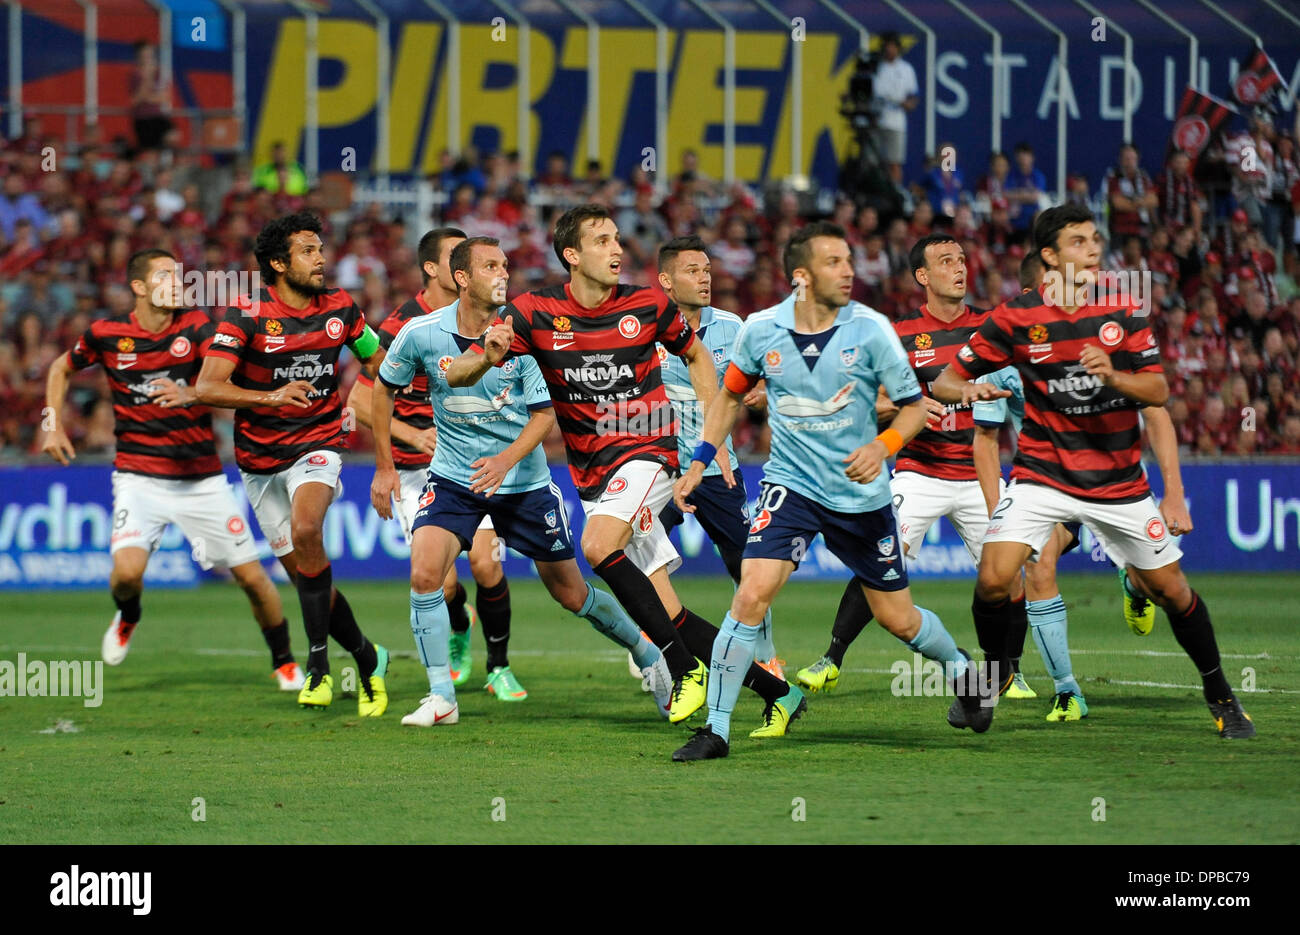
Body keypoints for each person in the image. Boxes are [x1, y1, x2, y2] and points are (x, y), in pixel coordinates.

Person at [446, 204, 801, 732]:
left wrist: (709, 442)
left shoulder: (647, 304)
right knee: (670, 614)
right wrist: (488, 353)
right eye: (601, 240)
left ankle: (684, 671)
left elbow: (699, 357)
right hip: (593, 475)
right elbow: (459, 374)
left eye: (617, 239)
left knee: (595, 546)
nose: (616, 249)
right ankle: (780, 694)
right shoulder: (533, 311)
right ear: (572, 255)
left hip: (648, 454)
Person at [933, 203, 1256, 738]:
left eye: (1094, 240)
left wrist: (1117, 382)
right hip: (1041, 475)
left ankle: (1220, 693)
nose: (1093, 250)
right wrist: (970, 389)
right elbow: (944, 381)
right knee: (994, 578)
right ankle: (996, 674)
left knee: (1170, 591)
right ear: (1050, 255)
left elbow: (1157, 394)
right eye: (1079, 242)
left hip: (1117, 482)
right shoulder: (1015, 318)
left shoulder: (1123, 310)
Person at [670, 222, 981, 761]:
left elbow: (912, 406)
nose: (849, 270)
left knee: (897, 619)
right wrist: (700, 460)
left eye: (848, 259)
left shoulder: (872, 330)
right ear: (802, 276)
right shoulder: (762, 329)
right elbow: (727, 398)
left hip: (859, 494)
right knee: (750, 594)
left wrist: (884, 445)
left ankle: (961, 670)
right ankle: (716, 730)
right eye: (834, 261)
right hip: (790, 485)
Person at [370, 236, 670, 725]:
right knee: (426, 575)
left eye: (505, 265)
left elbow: (543, 416)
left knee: (572, 594)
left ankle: (649, 654)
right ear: (462, 278)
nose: (503, 274)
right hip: (453, 478)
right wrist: (385, 466)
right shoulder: (421, 333)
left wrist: (506, 462)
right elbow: (381, 390)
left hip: (523, 483)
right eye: (491, 266)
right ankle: (441, 697)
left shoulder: (525, 336)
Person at [40, 249, 303, 690]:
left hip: (201, 479)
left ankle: (284, 661)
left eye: (178, 275)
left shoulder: (197, 327)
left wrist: (195, 394)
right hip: (138, 478)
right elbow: (59, 368)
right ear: (139, 288)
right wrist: (52, 426)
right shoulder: (107, 334)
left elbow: (221, 380)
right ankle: (129, 615)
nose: (178, 281)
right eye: (165, 275)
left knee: (253, 579)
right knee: (126, 575)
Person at [795, 233, 1035, 700]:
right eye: (946, 261)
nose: (959, 268)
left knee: (1009, 574)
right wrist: (913, 406)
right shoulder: (901, 335)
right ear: (923, 276)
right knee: (882, 558)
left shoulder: (990, 329)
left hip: (977, 474)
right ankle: (832, 658)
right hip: (919, 471)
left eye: (962, 259)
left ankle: (1010, 672)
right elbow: (871, 401)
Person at [196, 212, 391, 717]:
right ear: (280, 263)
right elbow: (208, 386)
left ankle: (319, 667)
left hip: (318, 442)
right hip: (260, 460)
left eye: (320, 248)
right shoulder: (246, 314)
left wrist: (359, 400)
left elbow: (378, 361)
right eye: (308, 251)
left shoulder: (341, 309)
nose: (322, 258)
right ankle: (369, 658)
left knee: (309, 530)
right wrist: (272, 395)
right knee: (309, 580)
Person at [346, 227, 507, 689]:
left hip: (475, 462)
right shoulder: (403, 326)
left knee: (487, 564)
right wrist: (411, 436)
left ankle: (500, 666)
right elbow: (359, 402)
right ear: (436, 270)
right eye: (457, 258)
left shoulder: (490, 318)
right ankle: (459, 624)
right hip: (419, 474)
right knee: (444, 584)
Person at [652, 236, 783, 678]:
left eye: (707, 269)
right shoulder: (643, 327)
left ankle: (766, 657)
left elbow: (763, 392)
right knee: (637, 558)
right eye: (692, 270)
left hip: (716, 467)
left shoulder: (734, 327)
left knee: (747, 566)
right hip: (658, 469)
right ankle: (661, 649)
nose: (704, 278)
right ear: (666, 281)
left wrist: (762, 396)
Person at [871, 32, 919, 186]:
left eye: (893, 47)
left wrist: (907, 104)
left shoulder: (906, 69)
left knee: (894, 162)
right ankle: (876, 191)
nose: (890, 50)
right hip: (876, 122)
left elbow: (913, 96)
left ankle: (895, 192)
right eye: (887, 47)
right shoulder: (876, 68)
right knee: (874, 162)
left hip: (896, 123)